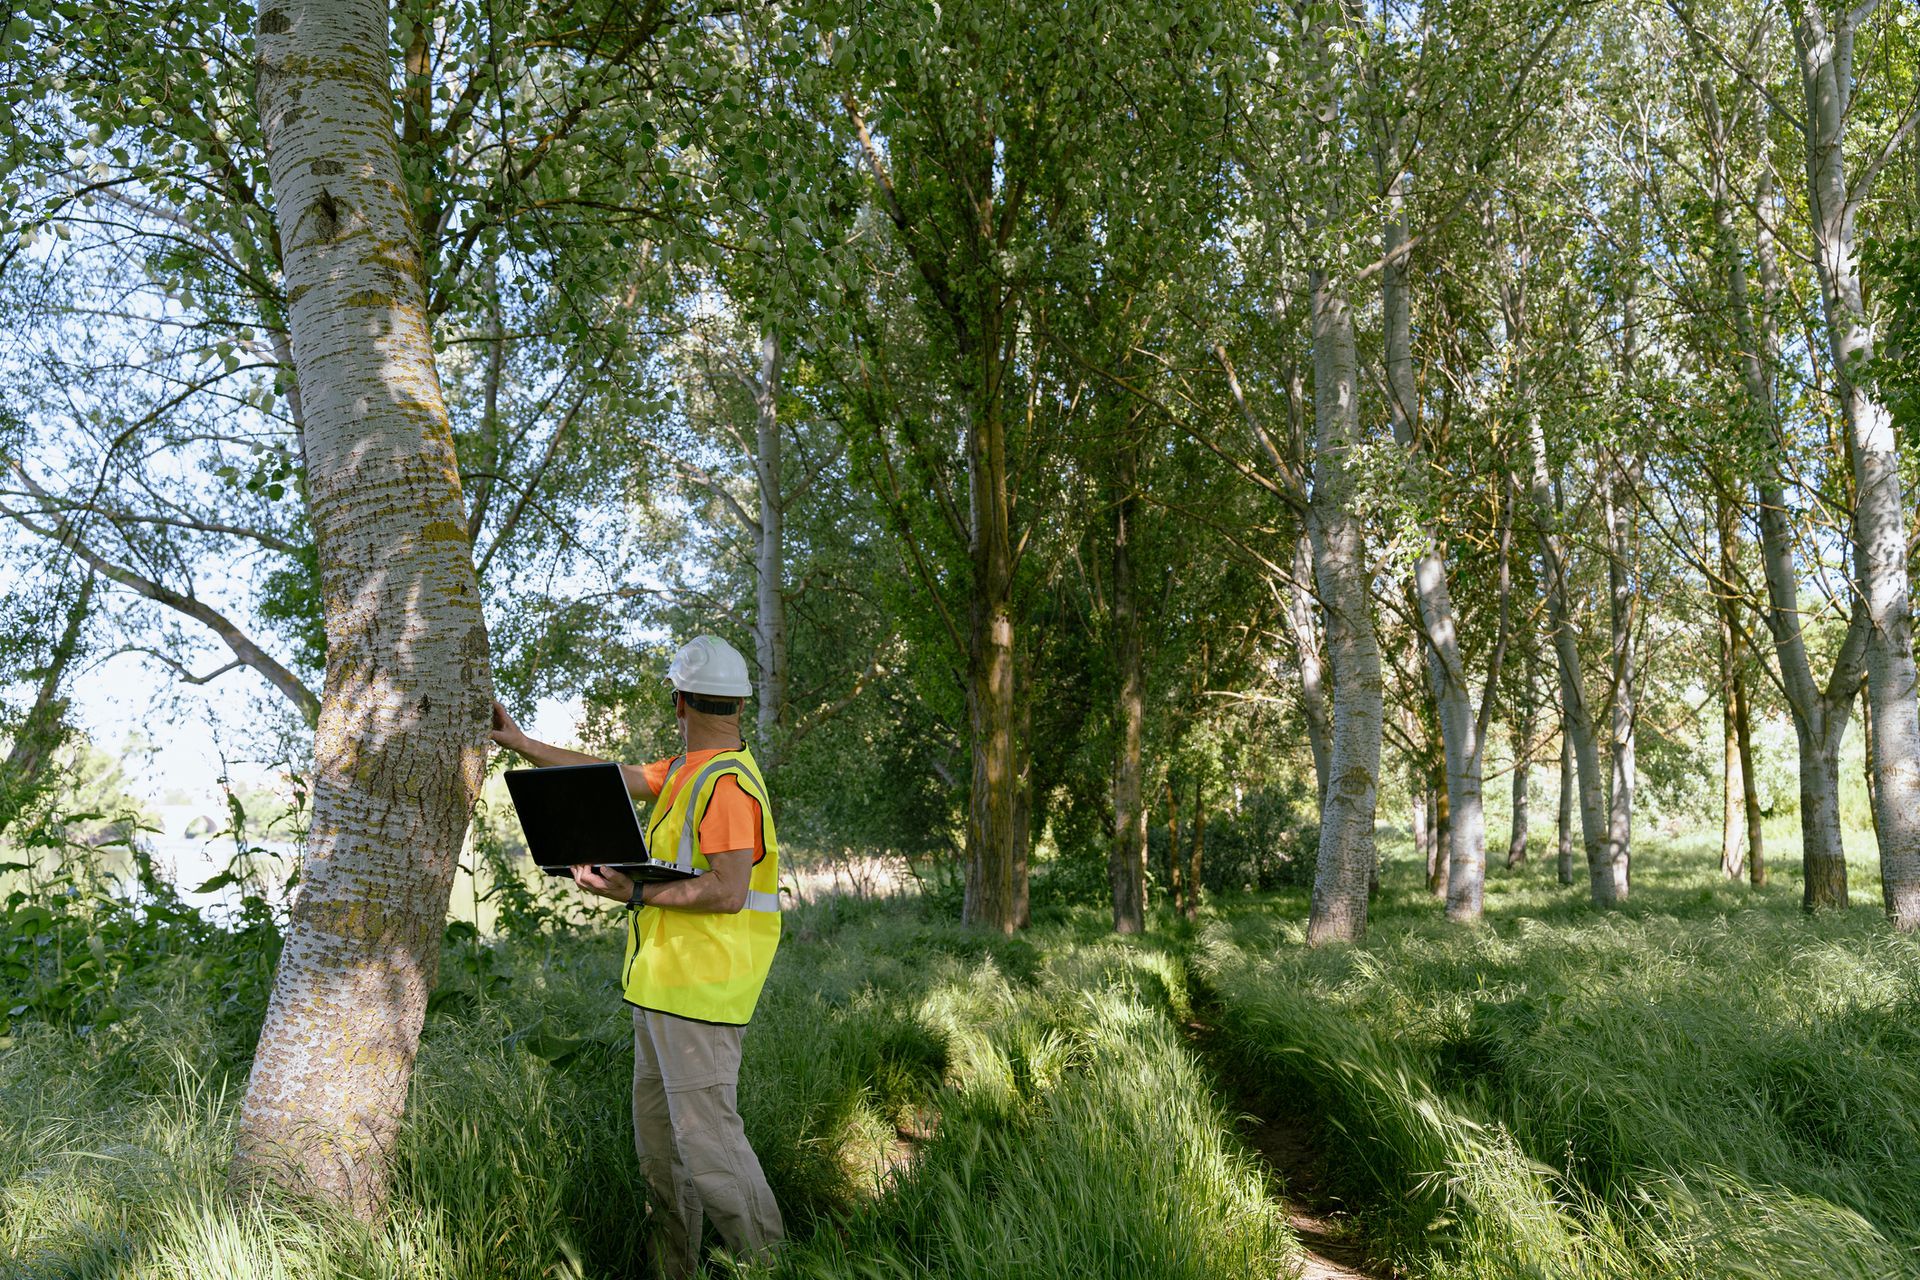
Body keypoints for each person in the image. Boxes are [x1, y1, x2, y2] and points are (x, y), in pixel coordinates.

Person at [489, 635, 785, 1278]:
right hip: (659, 991)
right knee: (661, 1154)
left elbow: (730, 892)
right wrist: (521, 743)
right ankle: (673, 1269)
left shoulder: (728, 786)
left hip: (700, 998)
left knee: (710, 1152)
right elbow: (609, 777)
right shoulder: (689, 771)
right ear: (736, 704)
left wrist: (635, 890)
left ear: (679, 703)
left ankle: (771, 1267)